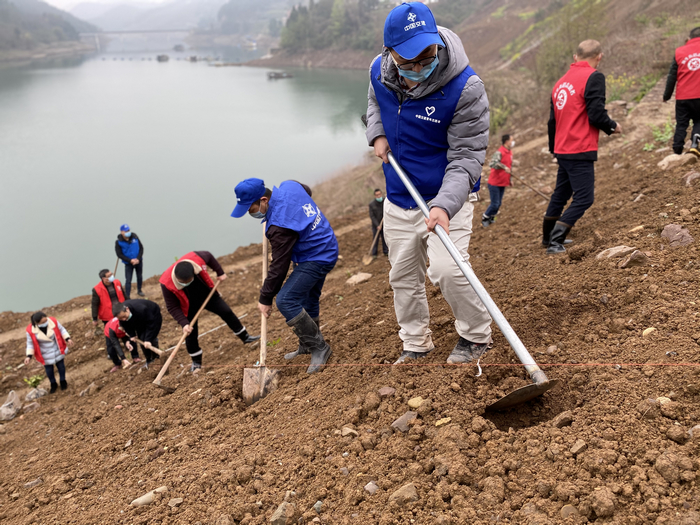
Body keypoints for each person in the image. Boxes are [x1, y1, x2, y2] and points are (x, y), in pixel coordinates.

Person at [364, 1, 492, 365]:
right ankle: (416, 343)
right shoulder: (378, 70)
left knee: (449, 269)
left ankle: (476, 336)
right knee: (403, 277)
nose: (420, 68)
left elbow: (467, 156)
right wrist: (377, 134)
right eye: (409, 63)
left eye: (427, 57)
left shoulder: (465, 88)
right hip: (399, 195)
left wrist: (444, 204)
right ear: (390, 54)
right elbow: (375, 103)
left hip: (447, 196)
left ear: (437, 43)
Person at [231, 178, 338, 374]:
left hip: (316, 256)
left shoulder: (279, 227)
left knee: (286, 300)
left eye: (250, 208)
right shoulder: (289, 185)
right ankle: (307, 344)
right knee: (308, 296)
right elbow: (307, 190)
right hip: (325, 241)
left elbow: (279, 267)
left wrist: (265, 298)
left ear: (264, 200)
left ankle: (319, 347)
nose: (249, 212)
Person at [545, 39, 621, 254]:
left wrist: (553, 148)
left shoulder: (560, 82)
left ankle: (547, 236)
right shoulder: (594, 77)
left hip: (562, 148)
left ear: (575, 57)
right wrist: (613, 126)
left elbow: (552, 121)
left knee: (560, 194)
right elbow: (596, 114)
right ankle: (555, 241)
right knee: (585, 197)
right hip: (579, 147)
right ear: (599, 57)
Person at [159, 251, 259, 371]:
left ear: (193, 274)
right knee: (190, 332)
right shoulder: (166, 283)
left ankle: (246, 337)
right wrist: (183, 323)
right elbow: (172, 306)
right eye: (182, 283)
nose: (185, 284)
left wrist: (220, 272)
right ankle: (196, 361)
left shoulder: (196, 258)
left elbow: (210, 256)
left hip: (206, 294)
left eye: (188, 281)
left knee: (226, 311)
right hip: (187, 304)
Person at [663, 27, 700, 157]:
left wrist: (666, 95)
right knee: (699, 121)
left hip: (683, 96)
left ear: (689, 38)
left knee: (682, 123)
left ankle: (677, 150)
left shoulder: (679, 51)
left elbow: (672, 76)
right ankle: (695, 144)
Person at [24, 312, 73, 393]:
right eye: (43, 322)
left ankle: (63, 381)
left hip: (57, 349)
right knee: (49, 370)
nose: (45, 323)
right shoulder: (30, 330)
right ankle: (53, 384)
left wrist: (68, 338)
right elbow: (30, 343)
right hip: (45, 353)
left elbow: (62, 330)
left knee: (61, 367)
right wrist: (28, 356)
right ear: (37, 323)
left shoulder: (53, 322)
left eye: (46, 320)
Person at [113, 299, 161, 366]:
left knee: (151, 338)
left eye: (124, 316)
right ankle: (149, 359)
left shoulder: (141, 309)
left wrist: (148, 339)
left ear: (127, 309)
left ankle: (156, 357)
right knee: (142, 339)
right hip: (139, 318)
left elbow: (151, 324)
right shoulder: (122, 315)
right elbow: (125, 324)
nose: (123, 319)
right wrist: (132, 335)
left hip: (152, 314)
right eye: (120, 318)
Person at [482, 134, 514, 228]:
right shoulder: (499, 152)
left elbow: (510, 166)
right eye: (511, 140)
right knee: (495, 203)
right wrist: (504, 167)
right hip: (494, 182)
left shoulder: (509, 152)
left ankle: (492, 217)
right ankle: (485, 217)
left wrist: (510, 179)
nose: (512, 142)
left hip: (503, 182)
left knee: (499, 203)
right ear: (506, 141)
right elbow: (493, 163)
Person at [115, 224, 145, 299]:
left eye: (128, 230)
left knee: (139, 276)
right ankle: (127, 295)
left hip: (138, 261)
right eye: (126, 231)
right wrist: (130, 260)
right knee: (128, 279)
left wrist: (138, 258)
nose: (128, 232)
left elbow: (141, 248)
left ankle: (139, 290)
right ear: (122, 232)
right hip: (128, 263)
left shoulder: (135, 237)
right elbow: (119, 254)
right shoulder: (118, 242)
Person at [369, 189, 389, 257]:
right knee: (376, 239)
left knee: (384, 238)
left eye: (380, 194)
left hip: (384, 224)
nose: (379, 196)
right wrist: (377, 225)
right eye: (377, 195)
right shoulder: (372, 204)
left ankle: (385, 251)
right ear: (375, 196)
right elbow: (372, 216)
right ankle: (374, 254)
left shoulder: (385, 201)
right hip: (376, 225)